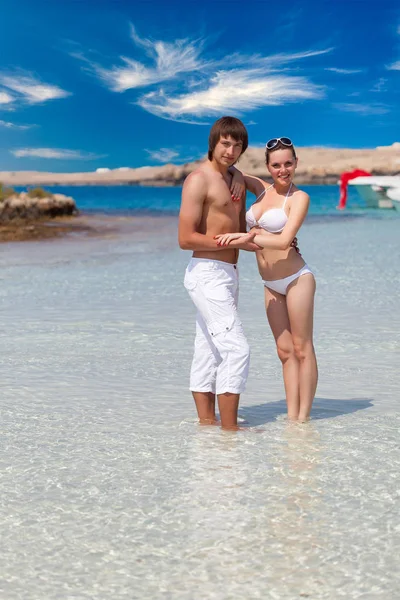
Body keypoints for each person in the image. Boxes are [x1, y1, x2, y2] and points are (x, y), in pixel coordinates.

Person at [216, 137, 318, 422]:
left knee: (302, 347)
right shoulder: (260, 189)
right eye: (276, 165)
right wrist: (235, 176)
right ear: (268, 167)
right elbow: (227, 167)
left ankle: (303, 419)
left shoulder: (299, 198)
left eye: (288, 164)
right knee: (284, 351)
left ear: (296, 163)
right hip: (270, 283)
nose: (282, 170)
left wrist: (245, 236)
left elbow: (285, 241)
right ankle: (291, 417)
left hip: (297, 278)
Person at [178, 116, 260, 430]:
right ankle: (230, 430)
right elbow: (185, 239)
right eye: (226, 143)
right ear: (213, 142)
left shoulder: (231, 176)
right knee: (237, 348)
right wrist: (233, 240)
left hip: (228, 272)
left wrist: (239, 174)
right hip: (206, 271)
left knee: (209, 348)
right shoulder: (198, 180)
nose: (231, 150)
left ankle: (207, 424)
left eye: (238, 146)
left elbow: (266, 191)